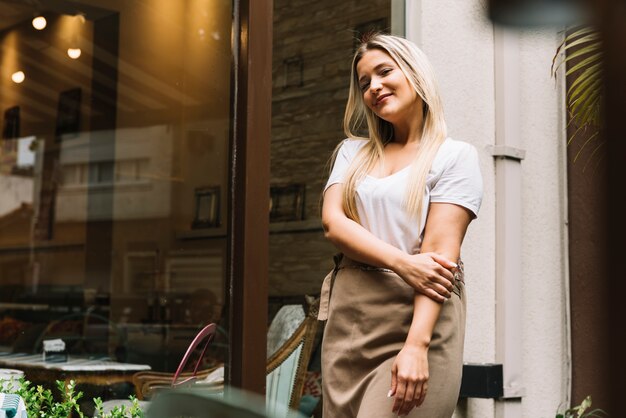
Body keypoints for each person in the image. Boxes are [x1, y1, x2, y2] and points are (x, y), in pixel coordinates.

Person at [318, 33, 483, 418]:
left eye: (384, 72)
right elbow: (333, 223)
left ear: (415, 73)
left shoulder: (454, 156)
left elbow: (439, 260)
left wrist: (416, 346)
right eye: (364, 83)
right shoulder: (352, 152)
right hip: (351, 321)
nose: (374, 87)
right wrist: (403, 262)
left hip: (419, 317)